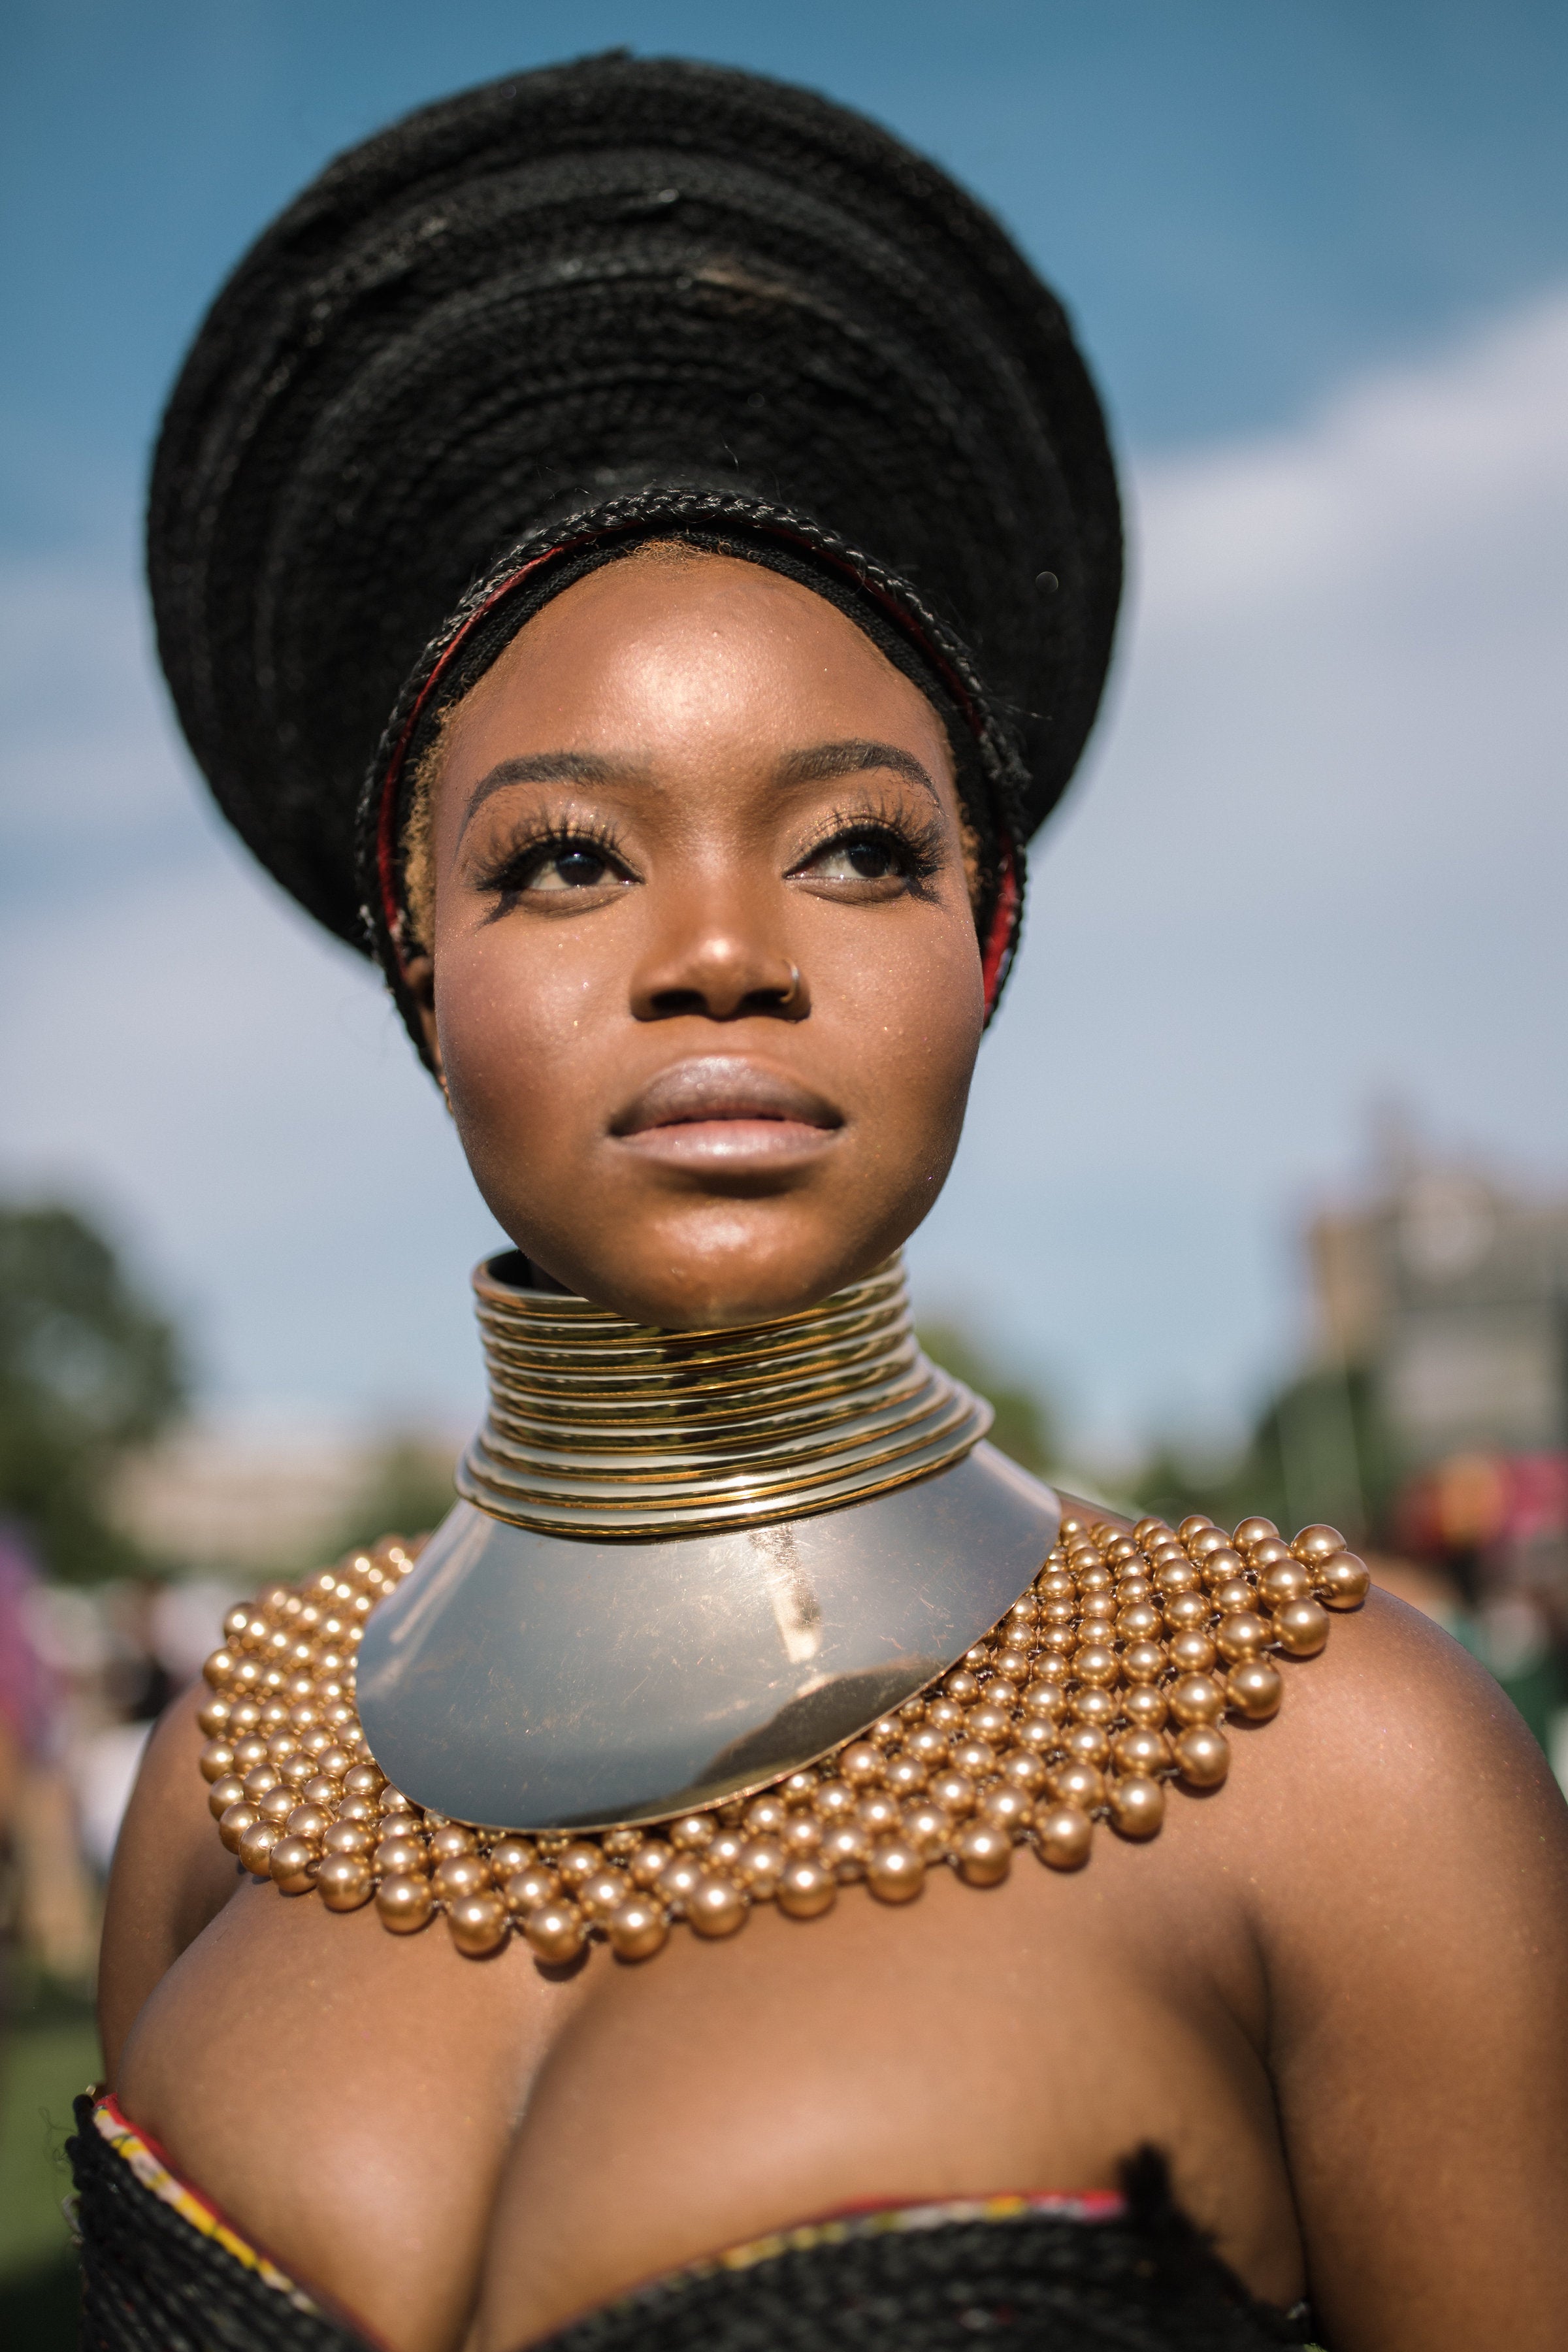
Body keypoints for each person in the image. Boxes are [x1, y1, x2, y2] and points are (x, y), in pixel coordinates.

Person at [74, 54, 1568, 2352]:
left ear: (984, 943)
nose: (723, 950)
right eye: (565, 858)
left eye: (859, 842)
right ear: (423, 964)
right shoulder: (225, 1777)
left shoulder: (1336, 1763)